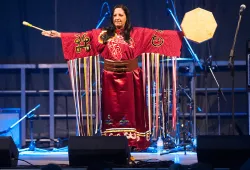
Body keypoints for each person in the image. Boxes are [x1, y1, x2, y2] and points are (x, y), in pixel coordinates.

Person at [42, 4, 182, 151]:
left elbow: (159, 35)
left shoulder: (138, 34)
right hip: (110, 80)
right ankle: (112, 142)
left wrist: (181, 35)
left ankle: (133, 142)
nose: (117, 18)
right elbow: (84, 37)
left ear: (126, 17)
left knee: (132, 112)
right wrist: (59, 35)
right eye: (115, 15)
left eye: (120, 15)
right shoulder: (103, 34)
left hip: (131, 79)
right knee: (112, 113)